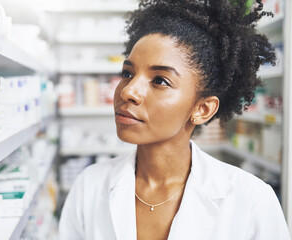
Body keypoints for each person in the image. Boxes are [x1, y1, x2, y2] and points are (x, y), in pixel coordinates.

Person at [59, 0, 291, 239]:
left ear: (202, 109)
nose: (128, 91)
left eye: (160, 80)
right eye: (127, 73)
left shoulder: (252, 201)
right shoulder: (89, 186)